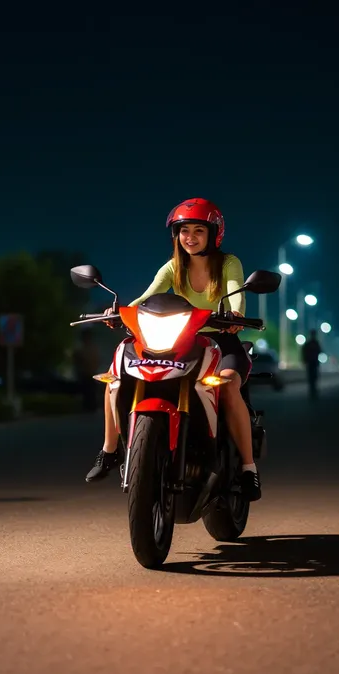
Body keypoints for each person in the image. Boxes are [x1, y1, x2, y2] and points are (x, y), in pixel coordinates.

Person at [85, 198, 261, 501]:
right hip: (183, 340)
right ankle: (110, 450)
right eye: (184, 231)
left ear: (213, 234)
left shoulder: (228, 263)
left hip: (222, 340)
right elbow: (148, 296)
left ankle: (248, 468)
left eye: (198, 231)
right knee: (114, 377)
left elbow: (235, 295)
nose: (190, 238)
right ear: (175, 236)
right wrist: (119, 313)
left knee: (229, 385)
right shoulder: (172, 267)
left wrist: (233, 315)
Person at [301, 329, 322, 398]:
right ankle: (313, 390)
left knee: (312, 377)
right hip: (313, 363)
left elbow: (304, 352)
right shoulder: (315, 343)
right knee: (313, 377)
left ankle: (312, 390)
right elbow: (320, 351)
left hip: (312, 363)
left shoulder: (310, 343)